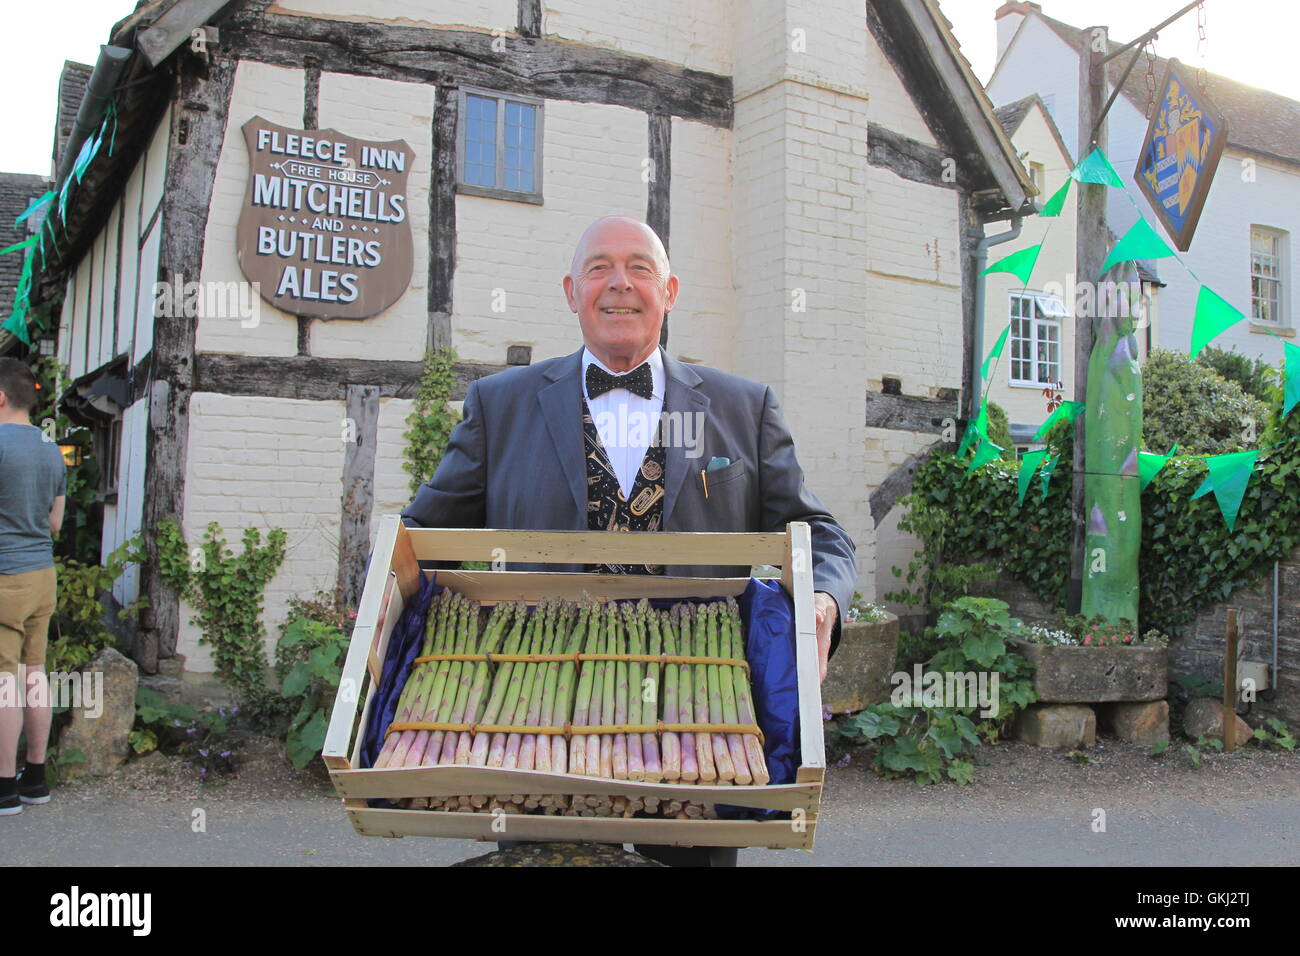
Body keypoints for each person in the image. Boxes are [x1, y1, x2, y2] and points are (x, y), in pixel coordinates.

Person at [402, 215, 858, 865]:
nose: (620, 283)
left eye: (640, 267)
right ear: (570, 291)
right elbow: (426, 534)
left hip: (700, 725)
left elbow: (822, 535)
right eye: (599, 268)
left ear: (669, 291)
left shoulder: (742, 409)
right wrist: (386, 582)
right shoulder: (499, 405)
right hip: (532, 720)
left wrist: (825, 601)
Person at [0, 357, 66, 816]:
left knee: (3, 684)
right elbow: (55, 523)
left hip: (5, 576)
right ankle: (35, 778)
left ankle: (3, 789)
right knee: (33, 675)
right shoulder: (50, 448)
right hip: (42, 575)